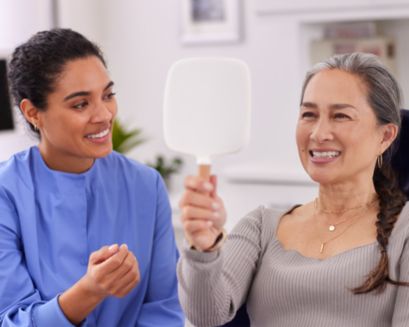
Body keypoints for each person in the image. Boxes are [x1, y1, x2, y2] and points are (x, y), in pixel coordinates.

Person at [177, 52, 409, 327]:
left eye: (341, 116)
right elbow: (206, 316)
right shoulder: (261, 225)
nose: (319, 133)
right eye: (309, 114)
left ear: (385, 136)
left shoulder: (403, 232)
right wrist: (203, 249)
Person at [0, 28, 184, 326]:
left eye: (108, 95)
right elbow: (10, 320)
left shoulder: (145, 186)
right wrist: (90, 290)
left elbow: (163, 309)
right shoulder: (6, 193)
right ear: (33, 113)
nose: (104, 115)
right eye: (80, 104)